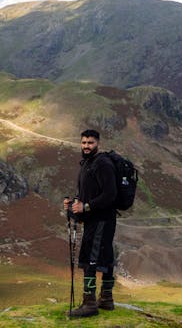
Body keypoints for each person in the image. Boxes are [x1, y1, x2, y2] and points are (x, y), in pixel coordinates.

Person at [64, 129, 118, 318]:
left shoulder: (103, 164)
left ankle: (90, 305)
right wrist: (74, 205)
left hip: (101, 220)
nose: (86, 146)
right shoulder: (88, 163)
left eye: (90, 143)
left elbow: (111, 195)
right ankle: (106, 300)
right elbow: (87, 192)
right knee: (104, 255)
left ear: (98, 144)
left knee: (90, 259)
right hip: (95, 219)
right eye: (84, 143)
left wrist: (86, 207)